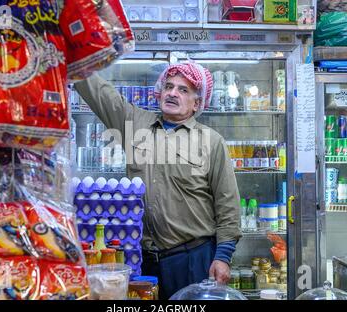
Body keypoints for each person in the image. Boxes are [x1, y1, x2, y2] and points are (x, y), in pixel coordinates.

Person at [74, 61, 241, 299]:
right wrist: (70, 58)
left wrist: (222, 257)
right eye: (169, 86)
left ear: (197, 103)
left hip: (193, 258)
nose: (172, 93)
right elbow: (101, 95)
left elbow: (228, 204)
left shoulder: (211, 142)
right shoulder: (135, 124)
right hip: (142, 259)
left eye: (183, 90)